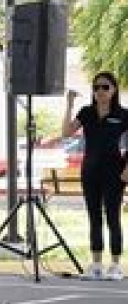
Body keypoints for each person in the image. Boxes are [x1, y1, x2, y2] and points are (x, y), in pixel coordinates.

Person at [62, 73, 128, 280]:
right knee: (94, 217)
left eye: (105, 87)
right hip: (90, 170)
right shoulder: (87, 112)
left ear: (114, 90)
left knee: (113, 216)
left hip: (114, 171)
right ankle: (97, 264)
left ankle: (116, 265)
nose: (100, 91)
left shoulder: (123, 114)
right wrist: (69, 104)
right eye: (96, 87)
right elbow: (66, 132)